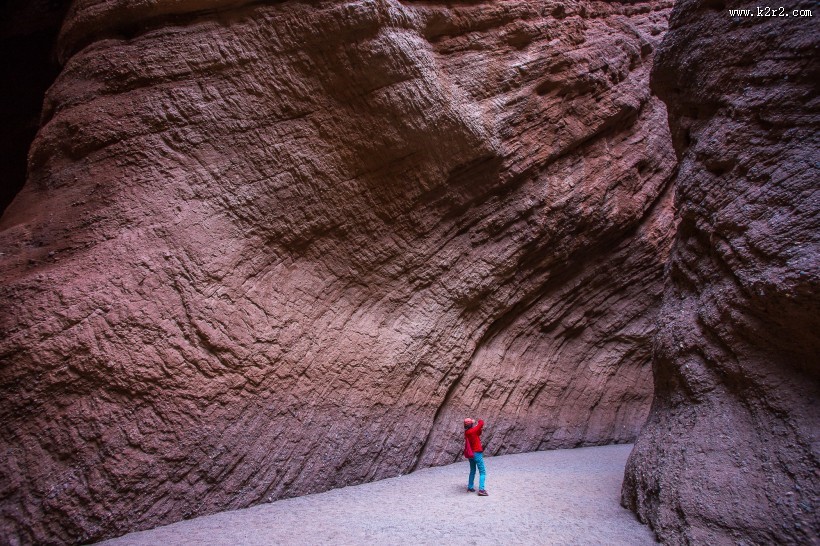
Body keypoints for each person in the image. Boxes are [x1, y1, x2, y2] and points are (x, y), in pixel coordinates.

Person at [464, 417, 488, 496]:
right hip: (477, 453)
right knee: (482, 472)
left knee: (473, 470)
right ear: (471, 424)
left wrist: (473, 424)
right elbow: (481, 423)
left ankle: (470, 487)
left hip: (471, 454)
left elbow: (479, 433)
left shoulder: (467, 432)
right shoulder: (472, 431)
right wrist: (477, 420)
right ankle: (481, 490)